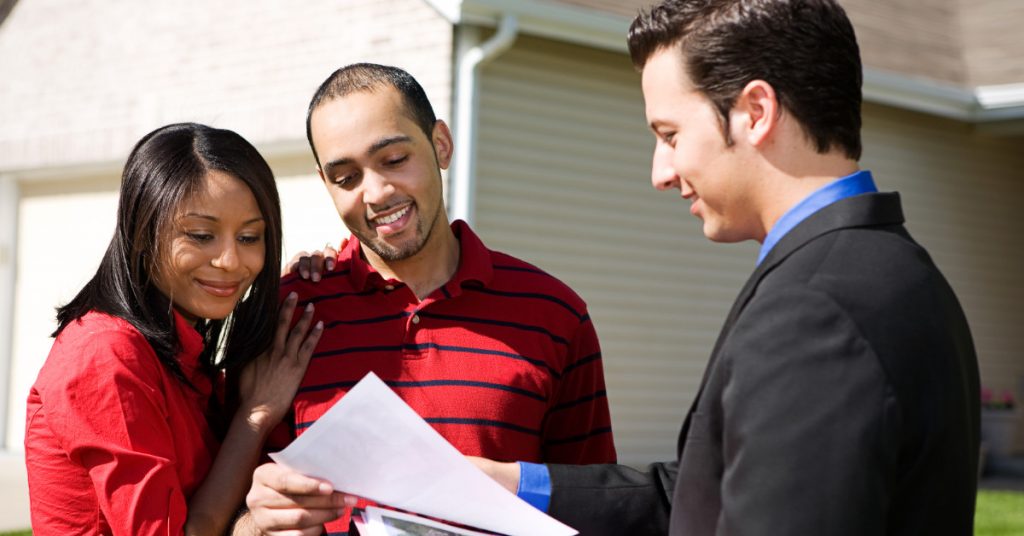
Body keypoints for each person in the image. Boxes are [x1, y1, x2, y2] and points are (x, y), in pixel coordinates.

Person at [470, 0, 982, 534]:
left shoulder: (815, 313)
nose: (660, 172)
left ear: (755, 112)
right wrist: (511, 485)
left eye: (669, 135)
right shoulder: (891, 268)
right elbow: (706, 492)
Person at [233, 64, 616, 535]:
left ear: (441, 145)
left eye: (394, 160)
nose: (375, 192)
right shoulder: (288, 313)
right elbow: (220, 512)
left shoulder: (556, 315)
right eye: (346, 176)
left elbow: (598, 506)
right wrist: (256, 525)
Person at [24, 122, 324, 535]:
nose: (231, 261)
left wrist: (321, 273)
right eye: (202, 235)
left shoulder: (185, 348)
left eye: (250, 237)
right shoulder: (105, 353)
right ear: (143, 234)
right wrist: (254, 416)